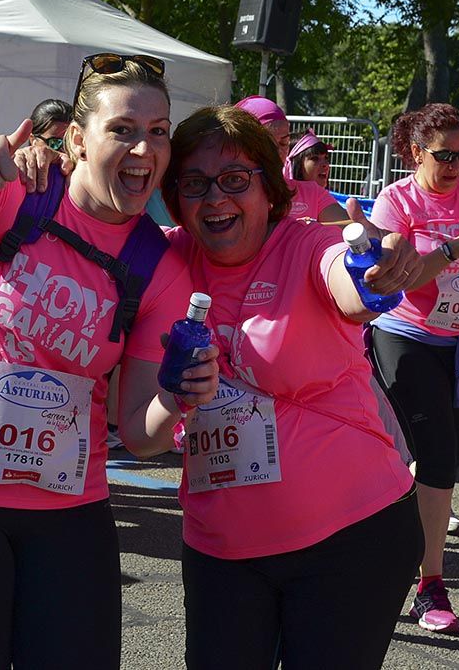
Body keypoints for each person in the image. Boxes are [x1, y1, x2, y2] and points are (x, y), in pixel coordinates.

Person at [0, 54, 219, 669]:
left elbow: (139, 433)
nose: (145, 148)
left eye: (158, 131)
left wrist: (176, 396)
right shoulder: (19, 198)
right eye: (124, 129)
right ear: (78, 140)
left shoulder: (160, 266)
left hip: (65, 512)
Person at [161, 104, 422, 669]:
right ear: (176, 196)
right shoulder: (168, 256)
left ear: (270, 187)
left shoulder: (303, 244)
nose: (216, 198)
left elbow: (348, 281)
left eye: (235, 180)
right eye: (195, 183)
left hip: (350, 537)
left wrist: (372, 273)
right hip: (222, 548)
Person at [368, 102, 459, 634]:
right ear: (414, 152)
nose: (455, 164)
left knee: (445, 463)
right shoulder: (396, 201)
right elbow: (397, 281)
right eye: (444, 155)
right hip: (405, 335)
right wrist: (454, 246)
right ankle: (430, 583)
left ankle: (393, 549)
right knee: (432, 458)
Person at [234, 96, 346, 223]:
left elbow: (347, 228)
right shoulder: (223, 198)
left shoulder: (313, 193)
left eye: (284, 143)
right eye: (268, 144)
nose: (277, 152)